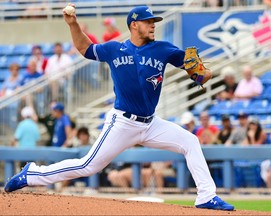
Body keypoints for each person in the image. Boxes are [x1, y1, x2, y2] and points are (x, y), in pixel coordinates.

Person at [4, 5, 234, 211]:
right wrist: (73, 24)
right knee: (88, 165)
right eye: (148, 22)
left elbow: (201, 75)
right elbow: (85, 48)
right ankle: (32, 174)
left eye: (154, 22)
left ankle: (206, 196)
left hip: (151, 123)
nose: (153, 26)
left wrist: (203, 73)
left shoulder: (164, 49)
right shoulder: (114, 49)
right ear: (134, 25)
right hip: (123, 122)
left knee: (190, 142)